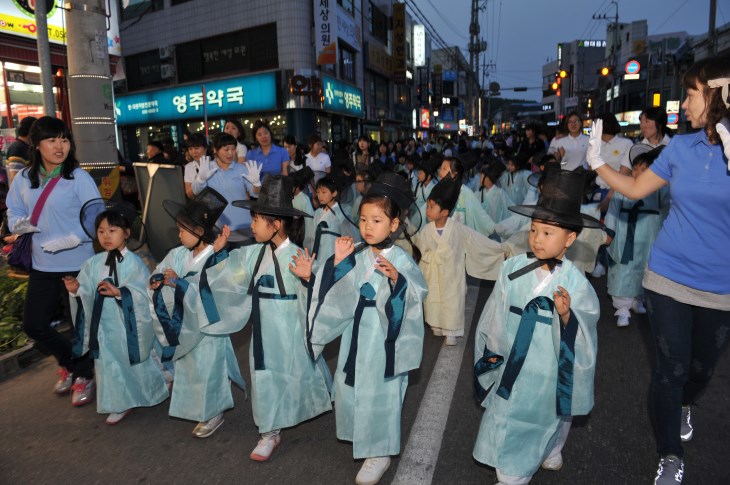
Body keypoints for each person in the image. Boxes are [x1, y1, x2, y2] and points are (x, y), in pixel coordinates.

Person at [586, 55, 730, 485]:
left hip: (721, 287)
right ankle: (670, 452)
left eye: (690, 94)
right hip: (666, 276)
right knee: (669, 369)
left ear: (721, 93)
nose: (682, 104)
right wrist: (597, 162)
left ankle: (686, 401)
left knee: (700, 370)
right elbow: (633, 187)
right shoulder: (679, 149)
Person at [473, 168, 600, 485]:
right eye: (533, 230)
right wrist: (491, 356)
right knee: (507, 420)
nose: (537, 239)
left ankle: (548, 449)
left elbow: (584, 332)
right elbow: (494, 316)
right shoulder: (513, 269)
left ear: (570, 238)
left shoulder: (576, 284)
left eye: (548, 233)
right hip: (512, 367)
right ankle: (514, 472)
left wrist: (568, 315)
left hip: (547, 371)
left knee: (548, 417)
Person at [305, 173, 427, 485]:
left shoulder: (400, 258)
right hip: (356, 333)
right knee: (353, 386)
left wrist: (397, 281)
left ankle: (380, 452)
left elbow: (417, 293)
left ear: (395, 224)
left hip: (382, 337)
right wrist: (337, 264)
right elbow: (338, 291)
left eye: (376, 220)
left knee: (381, 391)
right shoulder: (358, 251)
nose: (367, 227)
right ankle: (360, 435)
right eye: (363, 219)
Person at [202, 175, 332, 460]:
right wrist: (219, 256)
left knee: (295, 375)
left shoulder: (299, 256)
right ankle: (269, 432)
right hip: (264, 332)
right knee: (264, 376)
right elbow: (231, 280)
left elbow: (321, 298)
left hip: (291, 330)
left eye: (256, 219)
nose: (251, 225)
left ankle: (291, 414)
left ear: (276, 224)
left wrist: (310, 279)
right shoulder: (253, 254)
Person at [5, 116, 101, 405]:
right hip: (42, 265)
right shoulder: (24, 178)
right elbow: (13, 209)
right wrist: (19, 224)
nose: (60, 146)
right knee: (34, 324)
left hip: (77, 263)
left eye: (64, 139)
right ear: (37, 144)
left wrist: (75, 238)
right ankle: (72, 364)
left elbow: (95, 216)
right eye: (52, 140)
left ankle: (83, 374)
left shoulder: (78, 177)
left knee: (79, 327)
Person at [151, 188, 245, 438]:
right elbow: (160, 271)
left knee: (207, 368)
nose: (179, 234)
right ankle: (200, 405)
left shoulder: (215, 257)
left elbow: (219, 290)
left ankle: (213, 412)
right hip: (186, 324)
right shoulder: (177, 254)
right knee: (191, 369)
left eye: (183, 230)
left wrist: (179, 283)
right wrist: (160, 279)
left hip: (207, 328)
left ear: (200, 232)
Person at [64, 202, 168, 424]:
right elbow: (87, 289)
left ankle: (152, 390)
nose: (106, 236)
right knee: (108, 365)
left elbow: (141, 293)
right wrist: (76, 290)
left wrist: (120, 292)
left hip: (126, 325)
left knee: (133, 361)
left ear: (126, 233)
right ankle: (118, 402)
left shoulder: (134, 263)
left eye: (112, 231)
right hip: (103, 326)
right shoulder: (93, 263)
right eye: (101, 231)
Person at [413, 176, 503, 346]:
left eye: (432, 207)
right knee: (433, 299)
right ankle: (436, 324)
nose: (428, 210)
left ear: (445, 212)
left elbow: (477, 241)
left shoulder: (458, 229)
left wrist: (499, 250)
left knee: (452, 301)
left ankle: (451, 330)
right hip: (432, 274)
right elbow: (419, 250)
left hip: (451, 276)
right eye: (428, 205)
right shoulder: (426, 230)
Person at [604, 146, 669, 327]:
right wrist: (609, 232)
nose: (638, 173)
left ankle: (637, 299)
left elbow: (668, 212)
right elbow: (612, 212)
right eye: (635, 168)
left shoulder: (659, 189)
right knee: (623, 269)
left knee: (645, 268)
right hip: (625, 237)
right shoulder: (622, 187)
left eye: (644, 169)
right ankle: (622, 308)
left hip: (649, 238)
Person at [191, 132, 258, 245]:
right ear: (215, 150)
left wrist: (257, 184)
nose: (230, 153)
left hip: (243, 227)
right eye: (226, 149)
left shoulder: (241, 169)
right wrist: (201, 179)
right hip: (218, 229)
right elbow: (196, 191)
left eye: (233, 149)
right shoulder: (207, 169)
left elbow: (255, 194)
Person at [438, 155, 497, 238]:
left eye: (444, 169)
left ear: (455, 174)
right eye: (440, 169)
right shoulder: (438, 191)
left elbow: (481, 215)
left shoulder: (465, 192)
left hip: (461, 239)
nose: (440, 173)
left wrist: (495, 227)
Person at [619, 107, 673, 173]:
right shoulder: (636, 149)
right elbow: (623, 173)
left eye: (647, 121)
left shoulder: (673, 145)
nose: (643, 126)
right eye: (641, 122)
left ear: (660, 123)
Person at [5, 116, 37, 186]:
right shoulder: (17, 149)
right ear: (31, 131)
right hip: (22, 195)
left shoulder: (27, 147)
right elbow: (15, 178)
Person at [182, 133, 209, 199]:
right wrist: (199, 181)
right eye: (190, 149)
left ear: (205, 148)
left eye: (196, 148)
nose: (194, 152)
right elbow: (189, 194)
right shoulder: (188, 167)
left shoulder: (214, 164)